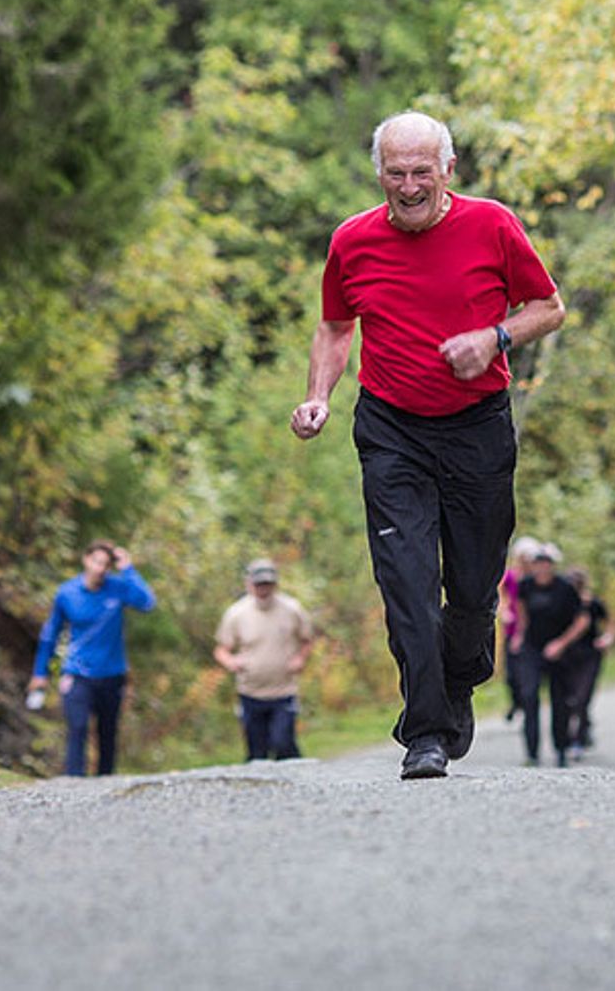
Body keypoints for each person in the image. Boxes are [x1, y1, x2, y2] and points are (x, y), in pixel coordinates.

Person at [290, 111, 565, 780]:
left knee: (471, 589)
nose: (408, 185)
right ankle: (427, 733)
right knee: (407, 583)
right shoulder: (353, 241)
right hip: (391, 429)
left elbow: (547, 307)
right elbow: (334, 325)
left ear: (447, 170)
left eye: (421, 172)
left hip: (477, 426)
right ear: (378, 172)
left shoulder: (492, 225)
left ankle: (463, 669)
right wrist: (320, 395)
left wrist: (494, 338)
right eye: (396, 172)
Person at [30, 541, 157, 776]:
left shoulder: (117, 588)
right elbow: (50, 635)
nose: (100, 569)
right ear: (86, 559)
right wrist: (40, 673)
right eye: (97, 562)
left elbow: (147, 603)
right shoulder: (67, 593)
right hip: (78, 672)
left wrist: (127, 568)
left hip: (112, 674)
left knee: (107, 733)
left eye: (106, 565)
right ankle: (74, 783)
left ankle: (105, 785)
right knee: (77, 727)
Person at [213, 558, 316, 761]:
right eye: (259, 584)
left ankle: (298, 782)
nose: (264, 590)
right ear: (249, 585)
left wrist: (300, 659)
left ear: (275, 584)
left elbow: (307, 640)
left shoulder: (292, 609)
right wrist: (231, 662)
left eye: (268, 584)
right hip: (250, 692)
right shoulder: (236, 613)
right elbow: (221, 649)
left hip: (283, 691)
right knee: (256, 754)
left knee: (282, 743)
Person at [511, 546, 589, 767]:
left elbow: (582, 620)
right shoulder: (525, 585)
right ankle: (532, 752)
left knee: (560, 701)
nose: (542, 568)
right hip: (532, 648)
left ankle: (561, 749)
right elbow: (521, 609)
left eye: (547, 564)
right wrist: (519, 634)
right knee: (529, 695)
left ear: (552, 566)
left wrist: (561, 643)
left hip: (559, 650)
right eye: (538, 563)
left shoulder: (564, 588)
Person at [563, 566, 615, 757]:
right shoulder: (563, 603)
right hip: (568, 655)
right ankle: (573, 735)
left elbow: (609, 621)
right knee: (569, 698)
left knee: (582, 697)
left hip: (590, 654)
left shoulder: (593, 603)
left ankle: (579, 739)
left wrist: (607, 637)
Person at [499, 536, 541, 723]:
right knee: (511, 675)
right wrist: (505, 611)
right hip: (512, 629)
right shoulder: (511, 576)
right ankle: (517, 702)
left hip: (532, 632)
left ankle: (527, 702)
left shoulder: (538, 579)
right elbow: (500, 594)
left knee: (528, 676)